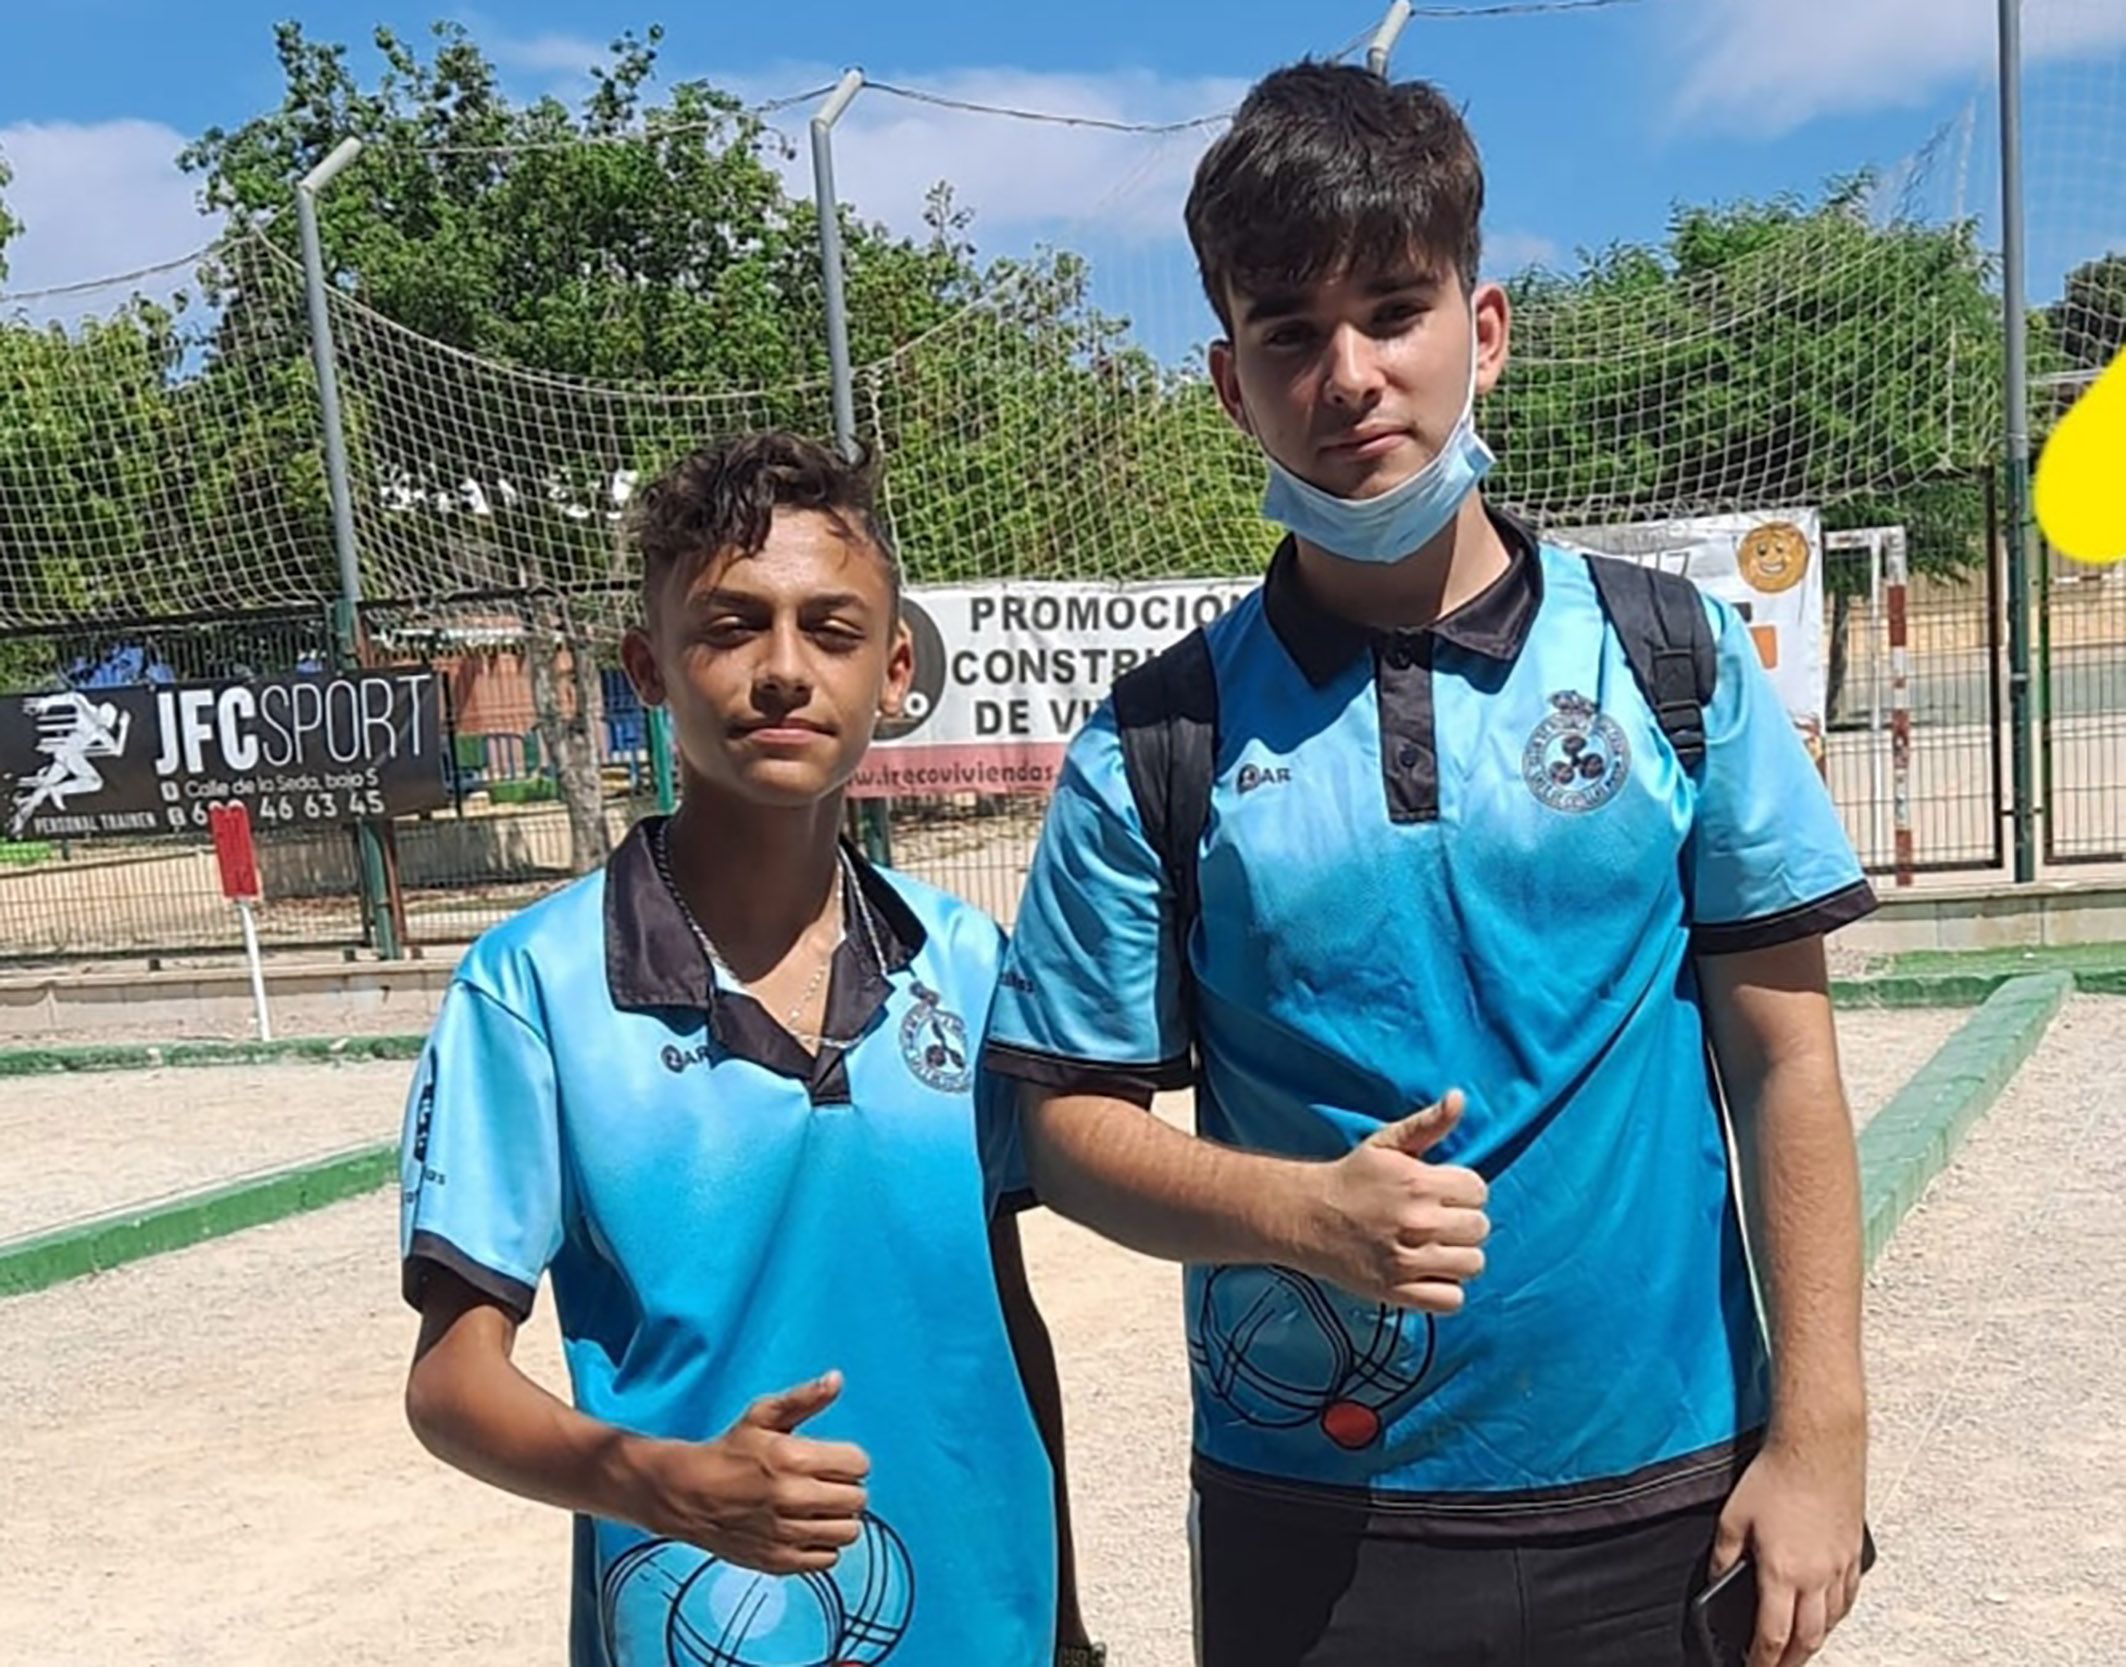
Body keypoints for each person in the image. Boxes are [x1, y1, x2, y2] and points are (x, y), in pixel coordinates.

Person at [982, 63, 1874, 1667]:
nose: (1348, 376)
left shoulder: (1670, 659)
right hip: (1312, 1517)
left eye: (1394, 310)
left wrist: (1820, 1433)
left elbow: (1784, 1058)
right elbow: (1062, 1127)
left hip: (1665, 1485)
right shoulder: (1159, 735)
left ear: (1487, 327)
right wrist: (1294, 1209)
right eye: (1287, 333)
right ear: (1225, 380)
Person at [397, 432, 1098, 1667]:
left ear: (893, 674)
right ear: (649, 668)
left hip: (986, 1622)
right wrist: (665, 1484)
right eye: (729, 626)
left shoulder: (968, 963)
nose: (783, 671)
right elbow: (451, 1386)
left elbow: (1002, 1309)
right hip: (702, 1623)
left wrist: (1068, 1620)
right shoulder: (531, 990)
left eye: (829, 631)